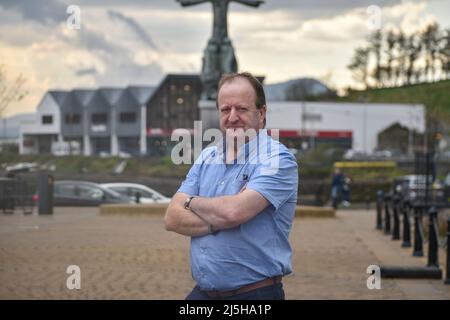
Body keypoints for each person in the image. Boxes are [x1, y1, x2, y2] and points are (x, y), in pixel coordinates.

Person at [164, 72, 298, 300]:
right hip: (203, 294)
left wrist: (190, 202)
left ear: (262, 113)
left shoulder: (277, 160)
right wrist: (220, 219)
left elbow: (233, 212)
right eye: (226, 109)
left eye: (242, 109)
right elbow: (171, 218)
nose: (232, 117)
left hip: (255, 294)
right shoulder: (207, 157)